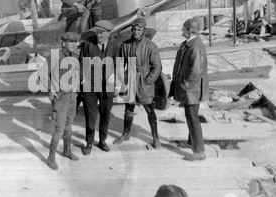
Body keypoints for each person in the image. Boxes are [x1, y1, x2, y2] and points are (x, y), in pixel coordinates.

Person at [113, 17, 162, 149]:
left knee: (150, 111)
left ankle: (156, 138)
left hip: (144, 81)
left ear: (144, 30)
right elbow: (119, 64)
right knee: (128, 110)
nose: (136, 31)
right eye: (134, 29)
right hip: (130, 80)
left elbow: (157, 67)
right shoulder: (125, 45)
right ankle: (126, 133)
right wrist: (122, 79)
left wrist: (147, 81)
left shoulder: (151, 46)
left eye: (139, 29)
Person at [169, 17, 209, 161]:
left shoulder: (195, 47)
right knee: (191, 116)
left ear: (190, 30)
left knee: (192, 117)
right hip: (191, 89)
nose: (182, 30)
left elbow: (196, 72)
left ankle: (199, 152)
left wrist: (184, 86)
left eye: (183, 28)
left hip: (192, 90)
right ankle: (192, 142)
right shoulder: (190, 44)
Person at [79, 20, 118, 155]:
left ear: (108, 34)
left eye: (101, 33)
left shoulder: (114, 46)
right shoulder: (88, 45)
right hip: (90, 86)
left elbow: (119, 64)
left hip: (108, 87)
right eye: (97, 33)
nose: (99, 36)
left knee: (105, 114)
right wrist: (83, 79)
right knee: (90, 115)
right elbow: (81, 62)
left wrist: (116, 78)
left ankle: (102, 140)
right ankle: (89, 142)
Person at [45, 32, 81, 171]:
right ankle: (51, 158)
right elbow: (43, 74)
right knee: (59, 129)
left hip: (72, 96)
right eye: (71, 42)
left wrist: (77, 87)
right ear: (63, 43)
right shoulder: (55, 56)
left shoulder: (75, 56)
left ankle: (67, 150)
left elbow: (77, 73)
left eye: (76, 42)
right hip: (60, 97)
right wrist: (50, 90)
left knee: (69, 125)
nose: (74, 44)